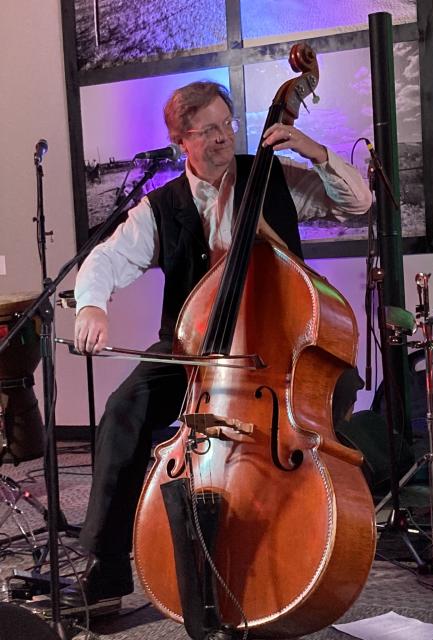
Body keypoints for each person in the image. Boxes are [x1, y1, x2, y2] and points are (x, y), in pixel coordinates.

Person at [62, 81, 372, 609]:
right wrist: (92, 303)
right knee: (123, 410)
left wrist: (314, 152)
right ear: (182, 139)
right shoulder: (159, 207)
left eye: (227, 124)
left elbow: (356, 203)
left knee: (335, 392)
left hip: (281, 354)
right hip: (194, 351)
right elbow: (107, 260)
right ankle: (105, 572)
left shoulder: (272, 175)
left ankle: (298, 531)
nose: (224, 137)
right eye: (208, 130)